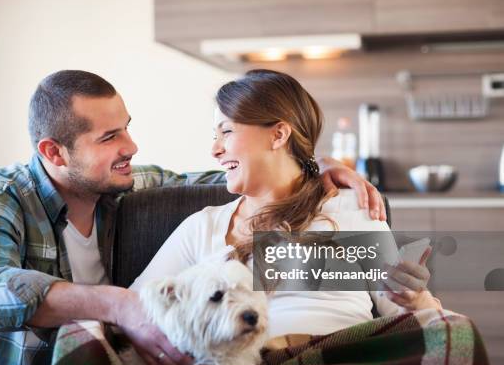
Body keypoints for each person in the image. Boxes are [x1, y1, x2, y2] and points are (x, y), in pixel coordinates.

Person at [0, 70, 388, 365]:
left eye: (127, 126)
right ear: (53, 152)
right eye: (109, 137)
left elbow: (237, 174)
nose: (131, 146)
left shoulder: (120, 186)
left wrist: (318, 164)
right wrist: (119, 305)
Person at [131, 69, 441, 339]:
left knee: (456, 331)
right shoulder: (203, 227)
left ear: (278, 134)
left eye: (226, 131)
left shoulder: (349, 207)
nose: (215, 149)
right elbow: (134, 309)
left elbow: (410, 314)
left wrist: (415, 298)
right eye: (214, 135)